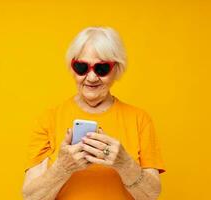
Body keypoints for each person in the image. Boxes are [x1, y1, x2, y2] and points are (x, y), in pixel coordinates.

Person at [22, 26, 165, 200]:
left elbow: (151, 196)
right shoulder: (49, 119)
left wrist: (124, 163)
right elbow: (30, 197)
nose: (91, 78)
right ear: (72, 68)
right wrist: (63, 167)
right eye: (82, 67)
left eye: (102, 68)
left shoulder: (139, 119)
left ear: (117, 69)